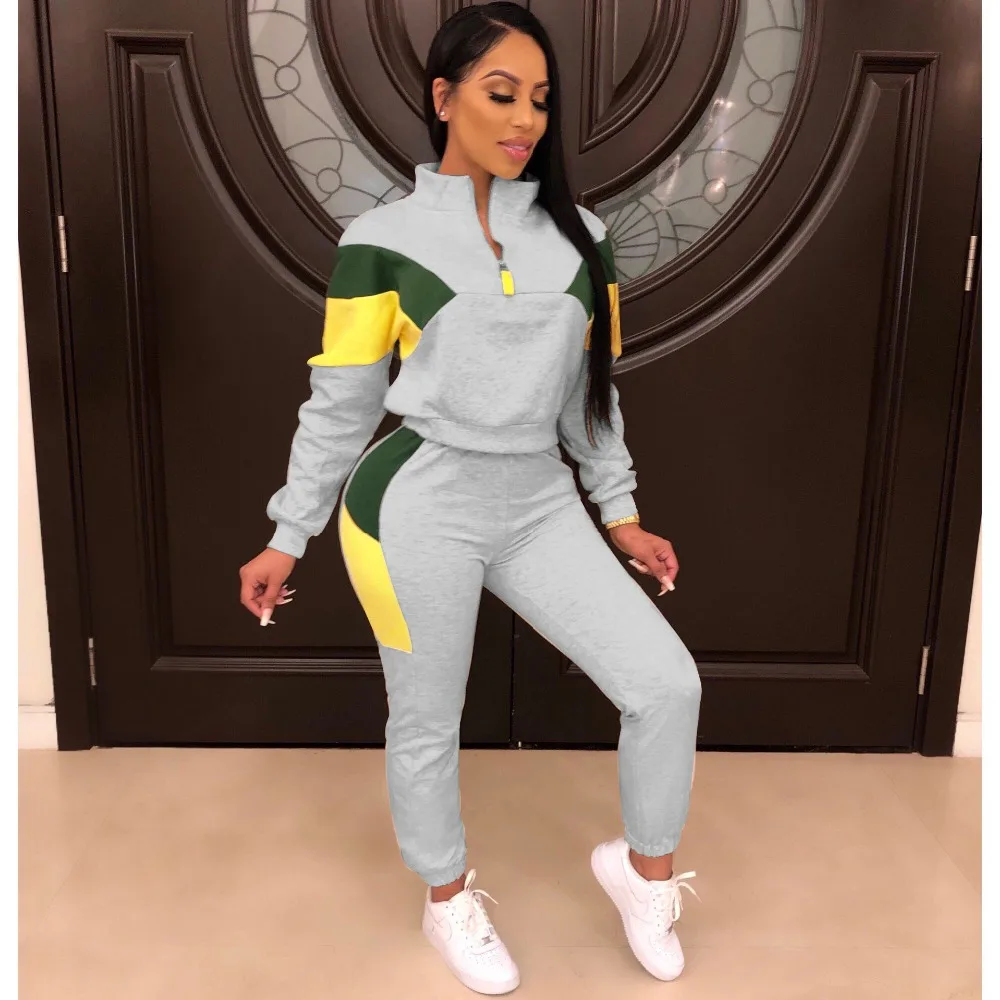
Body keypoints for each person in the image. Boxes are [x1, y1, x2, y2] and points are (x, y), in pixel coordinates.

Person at [239, 3, 701, 994]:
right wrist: (288, 532)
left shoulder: (584, 239)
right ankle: (446, 898)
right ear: (444, 98)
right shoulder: (381, 241)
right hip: (416, 503)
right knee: (427, 719)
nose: (525, 118)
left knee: (665, 684)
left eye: (539, 99)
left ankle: (644, 874)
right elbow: (343, 400)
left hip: (537, 503)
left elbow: (590, 398)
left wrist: (620, 512)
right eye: (501, 94)